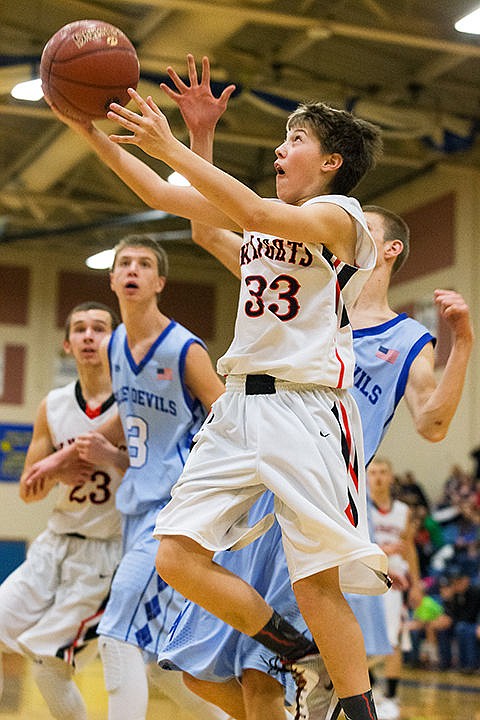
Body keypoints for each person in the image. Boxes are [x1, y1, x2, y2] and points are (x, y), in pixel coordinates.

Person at [94, 57, 389, 720]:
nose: (281, 150)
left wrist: (169, 143)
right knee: (175, 556)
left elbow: (249, 207)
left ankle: (359, 708)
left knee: (315, 585)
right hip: (238, 408)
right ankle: (290, 648)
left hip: (305, 407)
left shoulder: (343, 218)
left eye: (296, 141)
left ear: (333, 162)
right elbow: (180, 208)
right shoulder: (262, 229)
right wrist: (85, 123)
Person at [24, 236, 229, 720]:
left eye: (144, 264)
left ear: (159, 282)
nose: (132, 270)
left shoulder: (183, 348)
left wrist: (208, 489)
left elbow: (228, 420)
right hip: (136, 507)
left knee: (117, 632)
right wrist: (62, 459)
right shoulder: (116, 345)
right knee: (162, 663)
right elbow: (128, 415)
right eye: (124, 264)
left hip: (174, 510)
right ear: (113, 279)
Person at [0, 301, 126, 720]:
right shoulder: (52, 405)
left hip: (107, 552)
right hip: (53, 545)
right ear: (67, 344)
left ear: (117, 339)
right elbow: (28, 491)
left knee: (48, 664)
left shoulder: (135, 400)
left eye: (100, 328)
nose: (89, 335)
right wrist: (55, 475)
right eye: (80, 329)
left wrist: (110, 457)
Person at [368, 457, 423, 720]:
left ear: (391, 477)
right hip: (366, 578)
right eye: (373, 472)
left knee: (394, 640)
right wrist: (383, 549)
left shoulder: (403, 510)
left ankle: (390, 696)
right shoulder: (361, 507)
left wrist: (417, 584)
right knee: (363, 640)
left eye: (383, 472)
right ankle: (370, 690)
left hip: (395, 582)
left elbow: (410, 547)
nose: (378, 477)